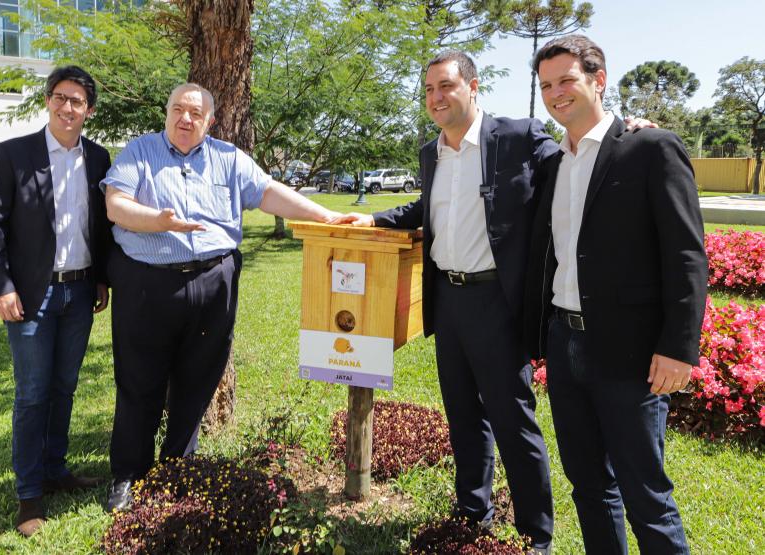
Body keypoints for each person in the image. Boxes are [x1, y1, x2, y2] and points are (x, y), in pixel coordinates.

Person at [332, 51, 556, 552]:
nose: (436, 97)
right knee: (462, 414)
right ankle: (474, 511)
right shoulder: (431, 151)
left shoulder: (517, 137)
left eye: (447, 86)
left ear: (473, 87)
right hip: (448, 303)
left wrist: (622, 131)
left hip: (497, 302)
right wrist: (374, 219)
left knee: (512, 418)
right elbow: (425, 206)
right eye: (430, 89)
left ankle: (535, 536)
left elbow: (573, 164)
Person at [101, 83, 340, 512]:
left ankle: (177, 470)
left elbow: (268, 193)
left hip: (214, 283)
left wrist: (325, 215)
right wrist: (157, 221)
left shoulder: (229, 158)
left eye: (195, 113)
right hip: (148, 284)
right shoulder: (139, 152)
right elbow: (116, 205)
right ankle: (129, 476)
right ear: (166, 113)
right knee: (139, 382)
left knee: (196, 381)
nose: (185, 119)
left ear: (210, 121)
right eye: (178, 109)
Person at [524, 35, 706, 554]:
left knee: (645, 492)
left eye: (566, 80)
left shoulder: (650, 148)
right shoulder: (553, 164)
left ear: (598, 80)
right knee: (589, 487)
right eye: (546, 86)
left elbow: (686, 254)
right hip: (565, 344)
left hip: (631, 353)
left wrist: (679, 346)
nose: (556, 93)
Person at [0, 66, 112, 537]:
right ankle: (29, 494)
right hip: (31, 293)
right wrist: (1, 286)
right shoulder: (14, 154)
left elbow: (101, 226)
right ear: (48, 101)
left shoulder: (98, 158)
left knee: (65, 386)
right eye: (60, 97)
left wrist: (101, 279)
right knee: (33, 394)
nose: (67, 107)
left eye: (77, 100)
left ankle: (56, 471)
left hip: (80, 291)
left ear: (89, 111)